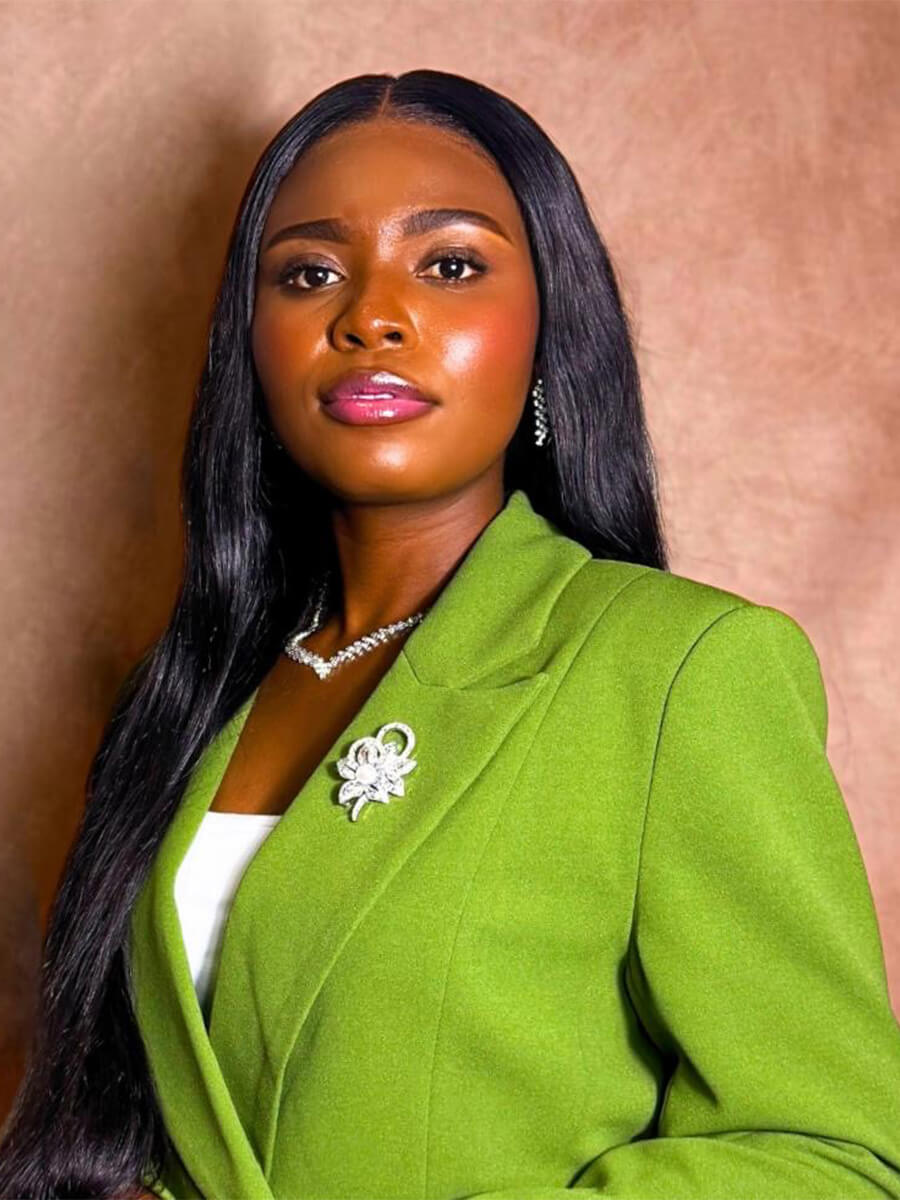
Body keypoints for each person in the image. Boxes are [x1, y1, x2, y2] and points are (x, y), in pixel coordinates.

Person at [2, 69, 898, 1200]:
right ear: (254, 346)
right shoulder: (182, 701)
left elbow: (834, 1159)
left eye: (452, 264)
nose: (369, 314)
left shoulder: (678, 672)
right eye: (310, 273)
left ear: (546, 328)